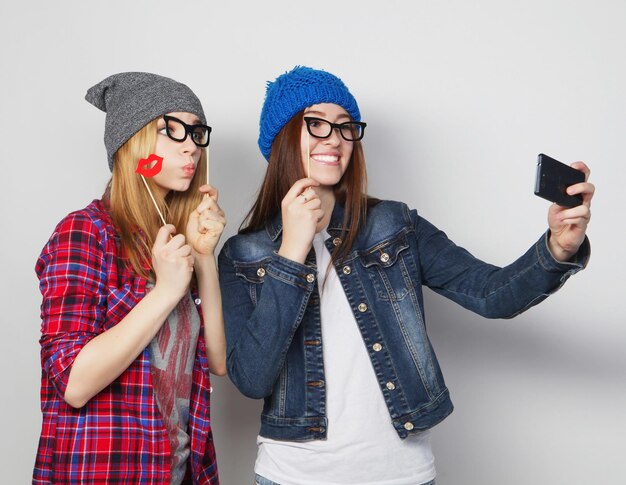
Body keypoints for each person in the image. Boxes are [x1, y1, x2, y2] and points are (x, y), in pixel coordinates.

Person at [218, 66, 594, 485]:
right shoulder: (243, 254)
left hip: (401, 475)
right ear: (283, 138)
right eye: (316, 123)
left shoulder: (394, 225)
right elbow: (251, 379)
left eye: (346, 127)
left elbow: (491, 295)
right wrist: (291, 251)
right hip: (291, 476)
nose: (335, 138)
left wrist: (559, 248)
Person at [34, 72, 226, 484]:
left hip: (181, 472)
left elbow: (218, 362)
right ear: (132, 142)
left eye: (196, 132)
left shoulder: (174, 242)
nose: (190, 144)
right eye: (170, 130)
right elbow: (73, 381)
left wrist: (204, 256)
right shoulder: (86, 232)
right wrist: (166, 292)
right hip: (110, 471)